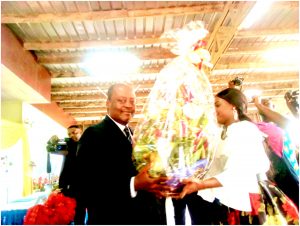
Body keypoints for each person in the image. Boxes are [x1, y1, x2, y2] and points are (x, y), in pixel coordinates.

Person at [170, 88, 271, 224]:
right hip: (227, 202)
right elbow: (213, 167)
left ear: (233, 106)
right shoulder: (222, 132)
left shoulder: (245, 130)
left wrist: (200, 185)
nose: (214, 110)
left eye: (217, 105)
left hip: (244, 203)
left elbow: (238, 171)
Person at [75, 83, 167, 225]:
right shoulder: (93, 134)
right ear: (108, 103)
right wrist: (133, 184)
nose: (128, 105)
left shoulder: (137, 135)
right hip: (113, 218)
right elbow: (86, 186)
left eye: (132, 101)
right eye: (121, 100)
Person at [253, 95, 299, 208]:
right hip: (276, 175)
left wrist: (259, 105)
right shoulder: (259, 127)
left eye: (268, 104)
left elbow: (288, 122)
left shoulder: (281, 128)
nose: (264, 106)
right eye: (263, 104)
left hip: (290, 174)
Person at [58, 124, 86, 224]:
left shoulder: (88, 145)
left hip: (87, 186)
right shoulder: (69, 148)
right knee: (75, 215)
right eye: (69, 134)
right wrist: (62, 186)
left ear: (81, 132)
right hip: (73, 187)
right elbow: (65, 167)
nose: (71, 136)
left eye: (74, 133)